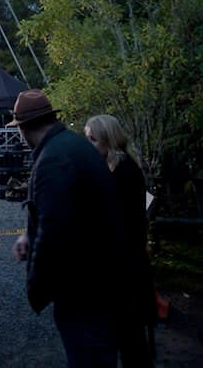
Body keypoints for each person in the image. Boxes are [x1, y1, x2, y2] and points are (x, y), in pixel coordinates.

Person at [10, 90, 124, 368]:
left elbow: (54, 231)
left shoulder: (53, 159)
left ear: (23, 128)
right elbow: (68, 211)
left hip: (83, 292)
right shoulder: (73, 145)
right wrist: (29, 234)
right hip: (102, 281)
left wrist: (36, 288)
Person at [85, 114, 156, 367]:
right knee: (127, 339)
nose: (88, 145)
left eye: (92, 139)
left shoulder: (124, 173)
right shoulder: (116, 168)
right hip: (123, 266)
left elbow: (117, 223)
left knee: (130, 340)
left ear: (108, 140)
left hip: (125, 270)